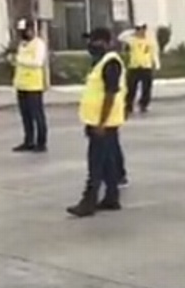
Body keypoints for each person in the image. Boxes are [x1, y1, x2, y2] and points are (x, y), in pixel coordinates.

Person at [67, 27, 127, 217]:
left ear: (106, 43)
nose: (91, 45)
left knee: (96, 163)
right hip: (98, 121)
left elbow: (110, 94)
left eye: (95, 41)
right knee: (108, 161)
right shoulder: (100, 62)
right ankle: (111, 197)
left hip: (105, 123)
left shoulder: (111, 63)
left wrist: (101, 122)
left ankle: (88, 202)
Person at [11, 19, 48, 153]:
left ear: (31, 29)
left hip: (34, 86)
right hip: (22, 85)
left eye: (25, 31)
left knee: (37, 115)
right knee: (25, 115)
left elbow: (37, 62)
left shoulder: (38, 44)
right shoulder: (23, 44)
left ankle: (41, 142)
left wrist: (19, 60)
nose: (23, 34)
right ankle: (29, 140)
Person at [119, 24, 159, 115]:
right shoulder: (132, 40)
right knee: (131, 87)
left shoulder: (149, 41)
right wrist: (132, 31)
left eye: (141, 29)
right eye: (138, 29)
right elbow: (121, 37)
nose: (140, 31)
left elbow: (154, 53)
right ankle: (128, 105)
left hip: (146, 66)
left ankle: (143, 105)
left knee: (146, 88)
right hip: (134, 67)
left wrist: (156, 64)